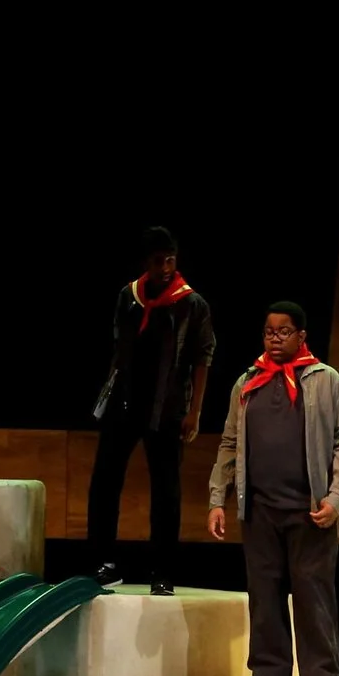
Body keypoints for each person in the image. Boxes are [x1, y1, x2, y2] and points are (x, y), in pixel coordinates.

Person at [208, 302, 339, 676]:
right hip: (259, 509)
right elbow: (228, 443)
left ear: (301, 336)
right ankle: (269, 673)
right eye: (269, 332)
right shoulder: (247, 383)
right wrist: (216, 499)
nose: (275, 338)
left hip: (310, 511)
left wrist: (337, 496)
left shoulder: (326, 380)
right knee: (264, 593)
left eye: (284, 331)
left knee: (314, 595)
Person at [88, 227, 215, 594]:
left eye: (170, 260)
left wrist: (195, 410)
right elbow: (118, 345)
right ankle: (104, 562)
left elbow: (202, 357)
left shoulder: (192, 304)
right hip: (125, 401)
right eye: (159, 261)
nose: (165, 268)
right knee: (105, 482)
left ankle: (162, 571)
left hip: (167, 406)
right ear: (147, 262)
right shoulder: (128, 297)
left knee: (166, 490)